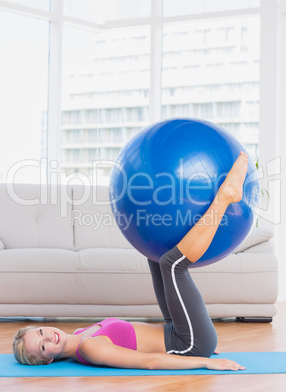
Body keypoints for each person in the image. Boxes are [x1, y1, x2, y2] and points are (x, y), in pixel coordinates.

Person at [13, 152, 248, 371]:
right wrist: (201, 360)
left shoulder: (79, 333)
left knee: (155, 257)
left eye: (41, 331)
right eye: (44, 346)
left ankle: (198, 337)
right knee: (172, 264)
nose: (49, 337)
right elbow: (149, 362)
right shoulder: (88, 347)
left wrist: (201, 340)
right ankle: (226, 195)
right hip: (188, 344)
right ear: (48, 359)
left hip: (182, 335)